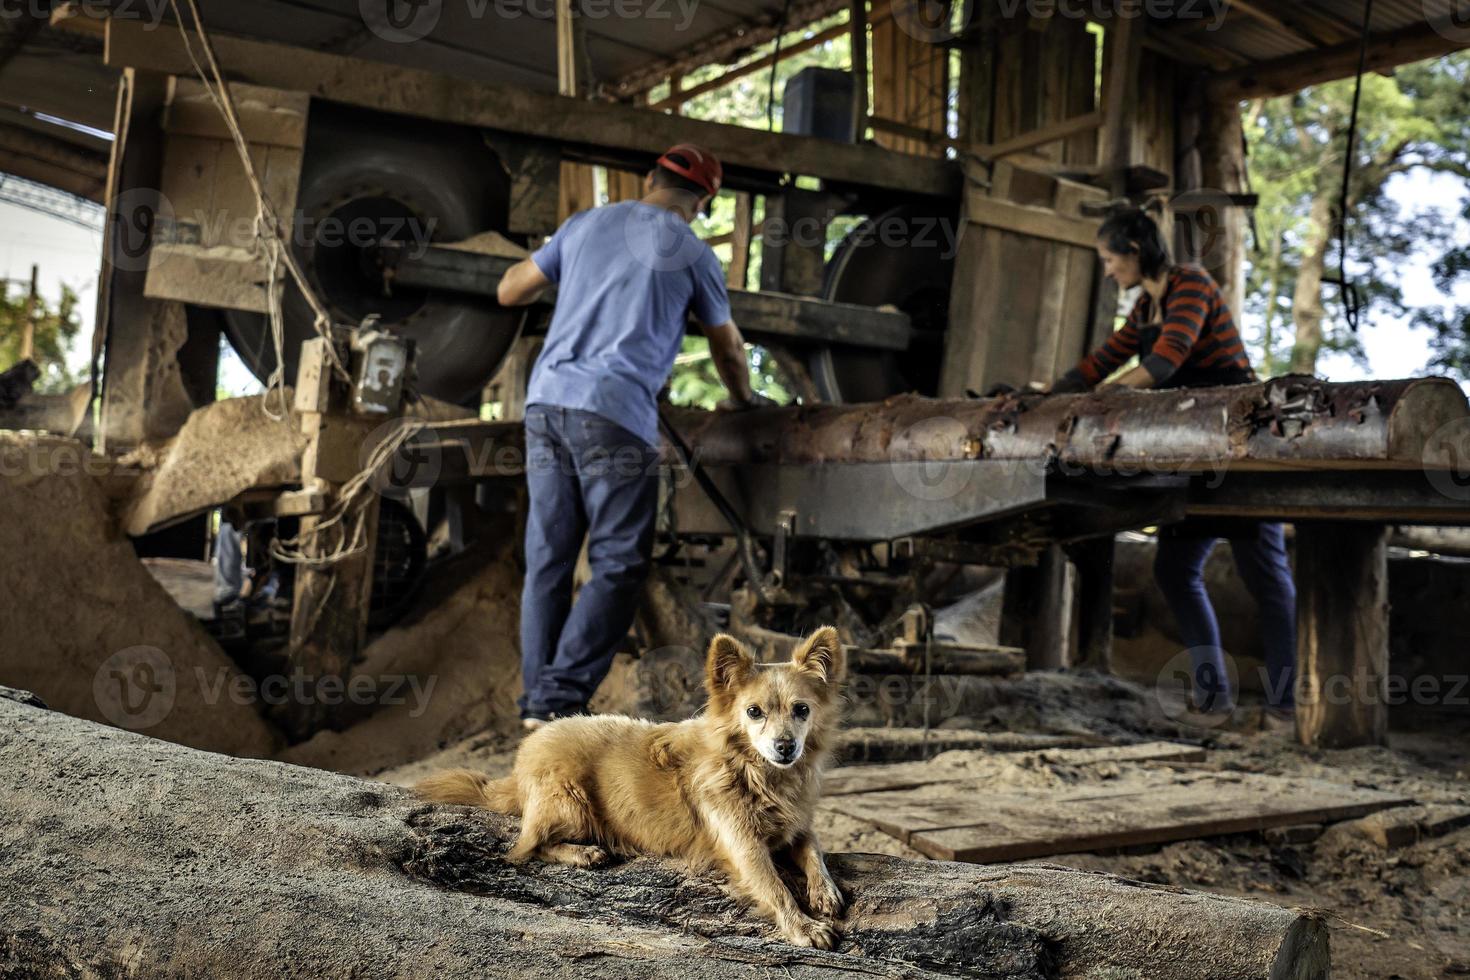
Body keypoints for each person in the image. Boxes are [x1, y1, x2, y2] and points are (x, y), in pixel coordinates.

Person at [496, 143, 768, 730]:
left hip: (546, 405)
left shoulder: (584, 224)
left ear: (649, 180)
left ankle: (535, 705)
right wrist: (745, 401)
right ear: (702, 204)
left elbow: (510, 290)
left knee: (549, 559)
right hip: (614, 414)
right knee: (617, 562)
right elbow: (726, 346)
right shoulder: (692, 251)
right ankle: (558, 700)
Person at [1050, 208, 1297, 725]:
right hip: (1197, 455)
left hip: (1245, 450)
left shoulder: (1192, 284)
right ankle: (1213, 697)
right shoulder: (1145, 307)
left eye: (1110, 259)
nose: (1108, 269)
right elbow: (1103, 359)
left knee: (1267, 581)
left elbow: (1167, 360)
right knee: (1175, 568)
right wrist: (1052, 393)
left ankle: (1285, 704)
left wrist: (1105, 396)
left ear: (1136, 250)